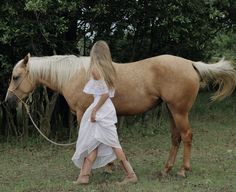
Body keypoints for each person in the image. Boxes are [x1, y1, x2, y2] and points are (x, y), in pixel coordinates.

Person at [72, 40, 138, 185]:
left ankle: (130, 174)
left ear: (94, 53)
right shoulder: (108, 69)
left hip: (101, 109)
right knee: (94, 141)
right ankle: (84, 176)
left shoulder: (96, 69)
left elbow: (105, 93)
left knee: (113, 143)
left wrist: (94, 110)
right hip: (105, 108)